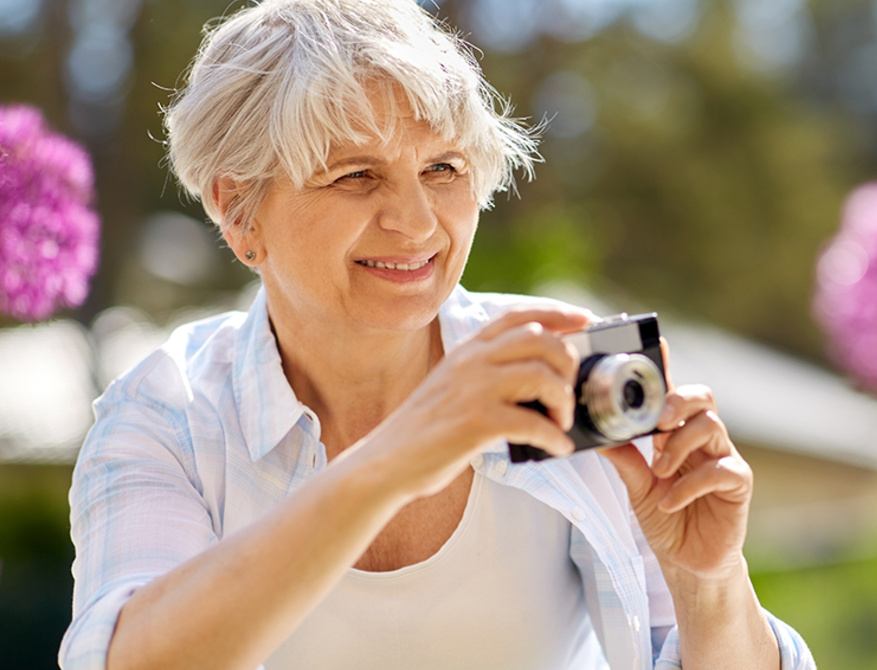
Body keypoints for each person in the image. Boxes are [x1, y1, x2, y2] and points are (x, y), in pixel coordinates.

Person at [59, 1, 816, 668]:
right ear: (237, 210)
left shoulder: (566, 372)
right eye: (355, 175)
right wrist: (397, 457)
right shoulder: (168, 414)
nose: (417, 223)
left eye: (445, 168)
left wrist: (708, 585)